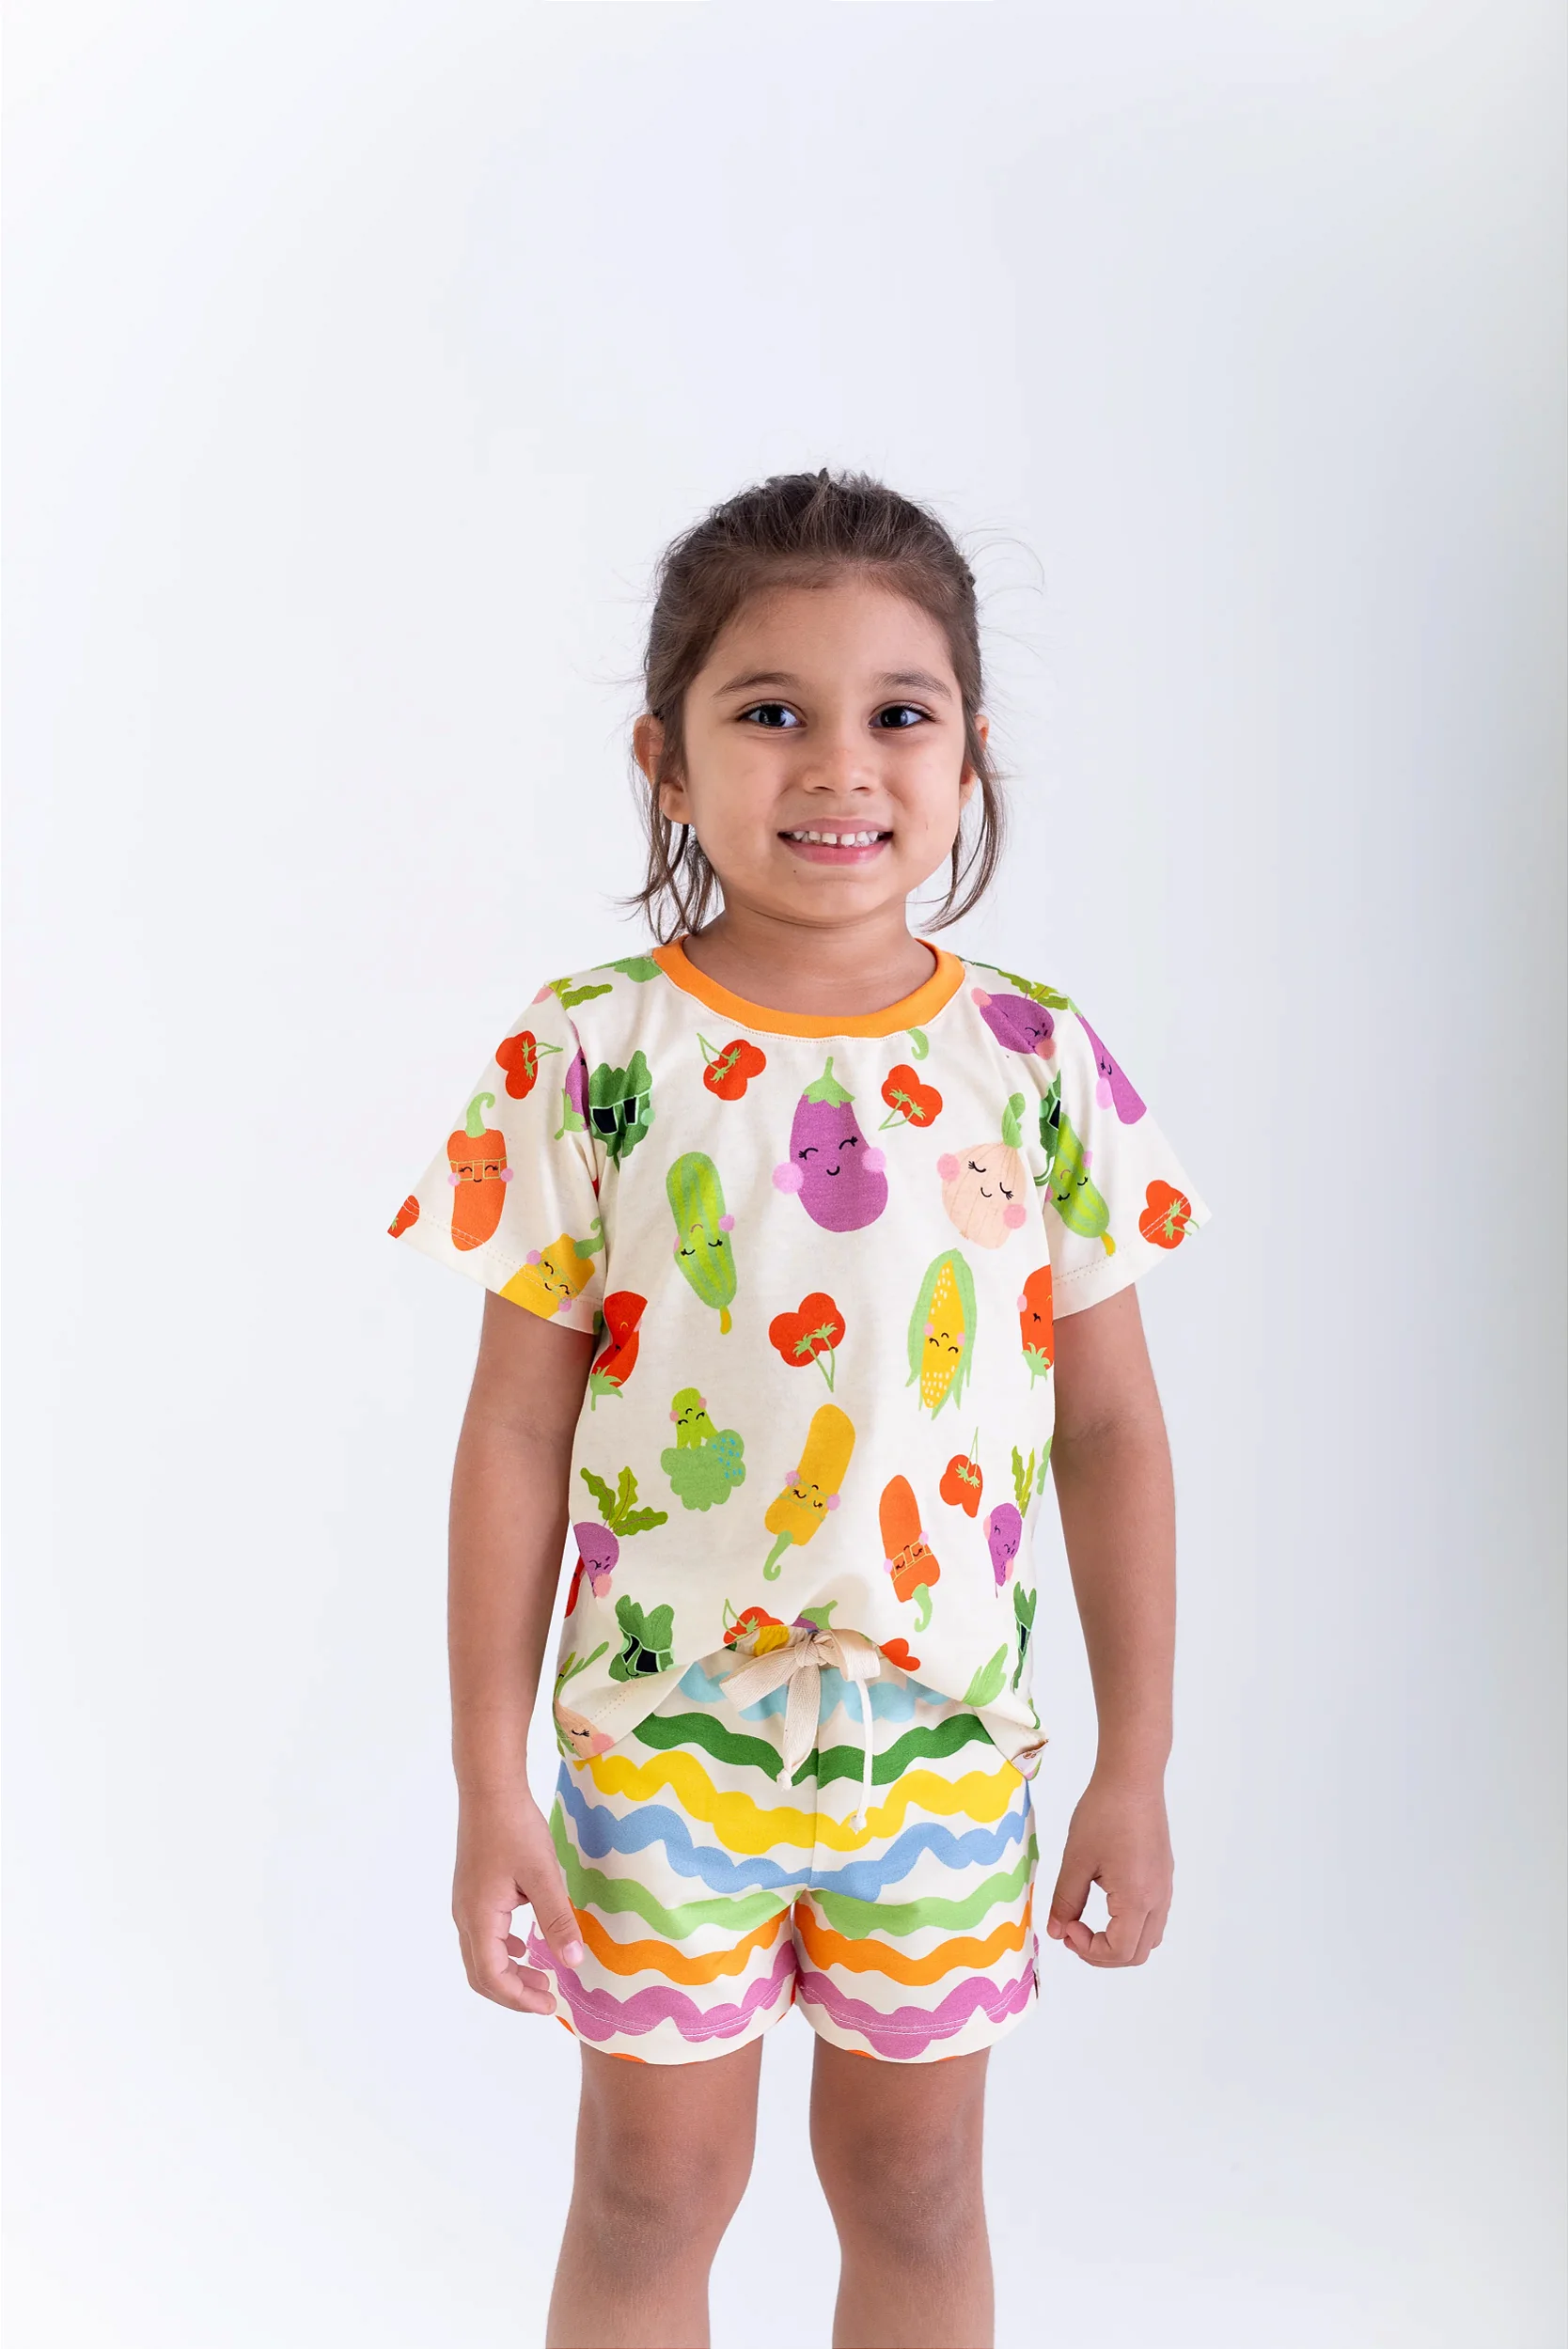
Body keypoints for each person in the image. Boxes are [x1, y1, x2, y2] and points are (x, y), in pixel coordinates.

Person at [387, 469, 1212, 2349]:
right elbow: (512, 1434)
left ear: (971, 754)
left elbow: (1112, 1435)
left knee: (917, 2190)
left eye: (899, 713)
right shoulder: (588, 1055)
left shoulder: (1037, 1063)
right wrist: (489, 1780)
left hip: (946, 1746)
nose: (840, 764)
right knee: (648, 2189)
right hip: (660, 1742)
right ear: (666, 761)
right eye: (771, 710)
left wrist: (1137, 1761)